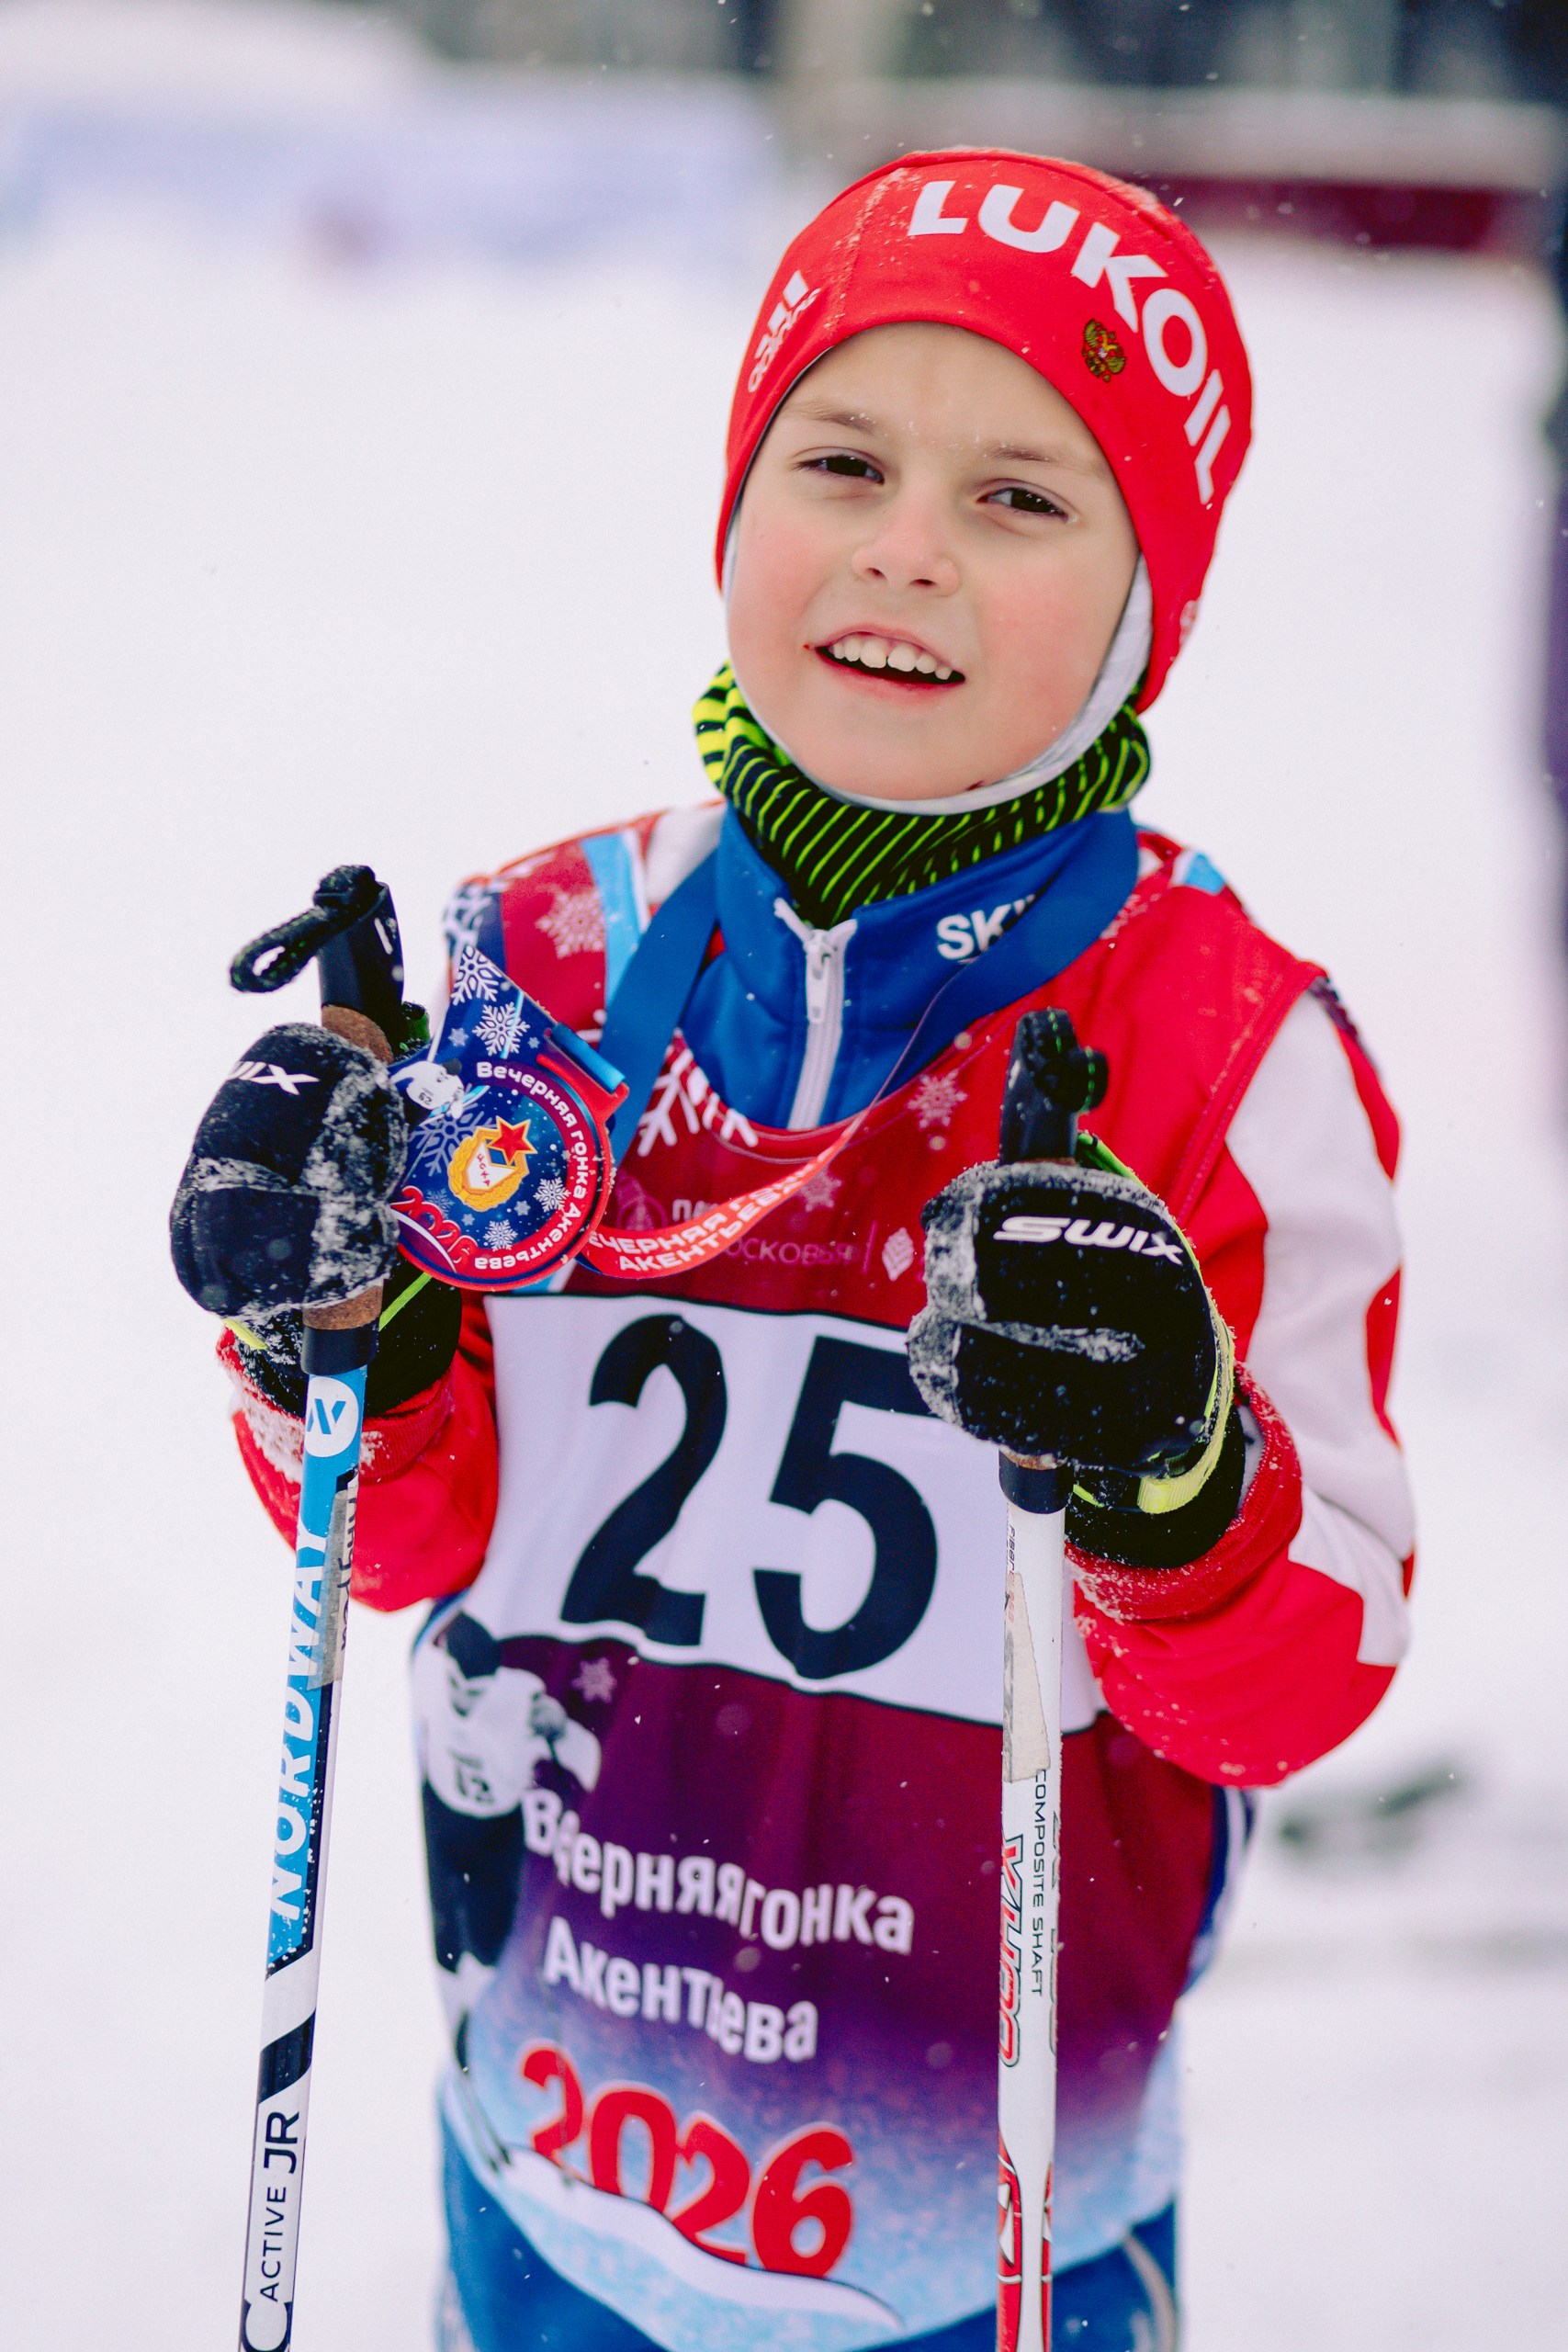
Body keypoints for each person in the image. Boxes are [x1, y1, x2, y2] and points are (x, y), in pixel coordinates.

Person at [172, 153, 1414, 2352]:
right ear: (737, 510)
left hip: (993, 2216)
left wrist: (1173, 1464)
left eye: (1022, 498)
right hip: (551, 2157)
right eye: (837, 457)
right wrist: (326, 1326)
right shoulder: (539, 957)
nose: (903, 541)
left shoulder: (1223, 1047)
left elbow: (1294, 1672)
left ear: (1146, 607)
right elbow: (404, 1528)